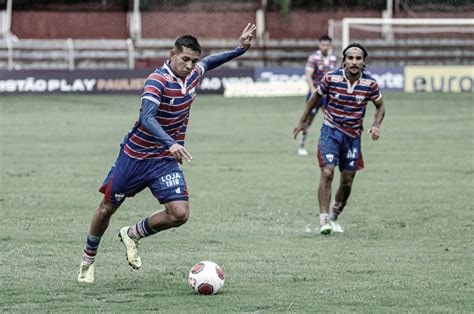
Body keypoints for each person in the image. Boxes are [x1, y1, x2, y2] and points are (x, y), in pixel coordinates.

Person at [78, 23, 256, 283]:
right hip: (135, 157)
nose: (190, 65)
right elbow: (146, 117)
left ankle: (132, 234)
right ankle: (87, 262)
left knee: (179, 213)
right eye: (185, 59)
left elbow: (210, 62)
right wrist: (170, 142)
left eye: (193, 60)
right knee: (106, 209)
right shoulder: (157, 80)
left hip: (163, 161)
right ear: (172, 55)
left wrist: (240, 49)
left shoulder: (195, 73)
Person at [293, 42, 385, 235]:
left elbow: (380, 107)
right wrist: (303, 120)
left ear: (363, 63)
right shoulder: (331, 78)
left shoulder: (370, 84)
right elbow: (315, 98)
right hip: (330, 131)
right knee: (327, 173)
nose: (354, 61)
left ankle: (335, 215)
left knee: (347, 182)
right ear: (344, 61)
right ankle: (324, 220)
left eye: (358, 58)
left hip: (353, 137)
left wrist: (376, 126)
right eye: (350, 58)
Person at [298, 35, 337, 156]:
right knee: (309, 119)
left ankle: (332, 147)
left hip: (328, 95)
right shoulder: (313, 58)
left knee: (333, 120)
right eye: (323, 45)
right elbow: (308, 75)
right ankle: (302, 144)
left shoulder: (333, 58)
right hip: (315, 94)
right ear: (319, 45)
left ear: (330, 45)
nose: (325, 47)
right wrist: (313, 90)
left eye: (327, 45)